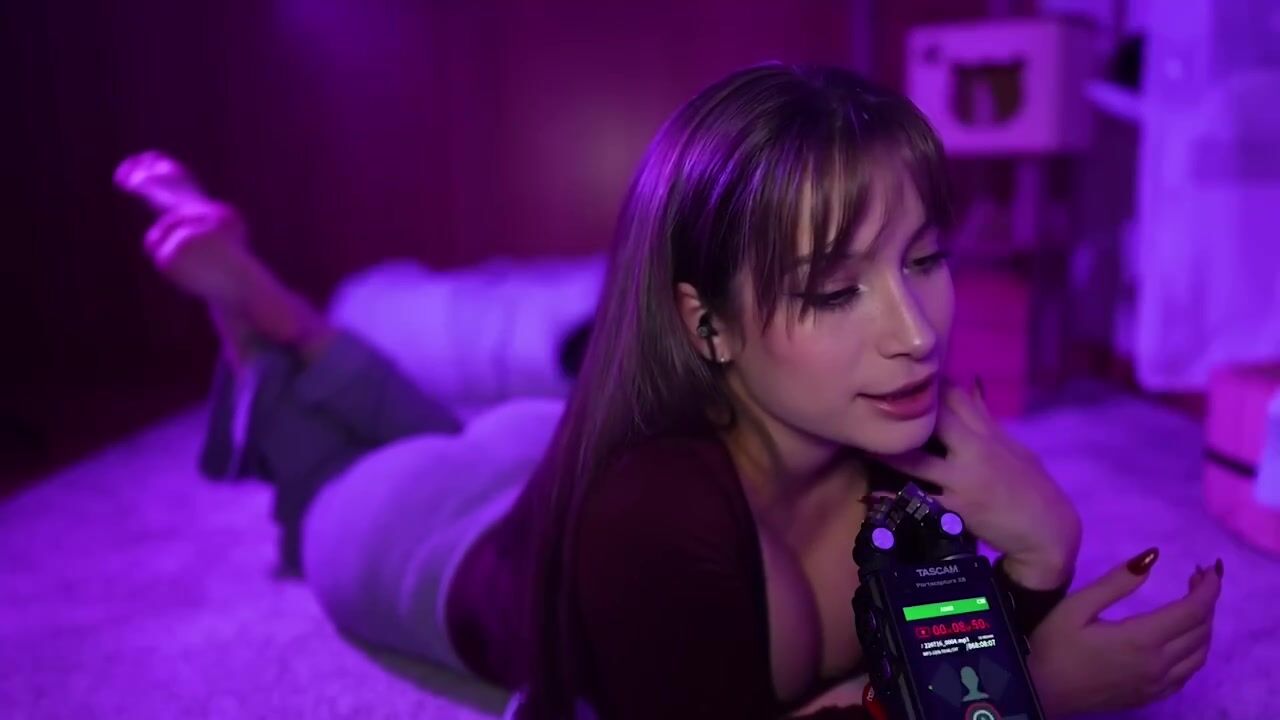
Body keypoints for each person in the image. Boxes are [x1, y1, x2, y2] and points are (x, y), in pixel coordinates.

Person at [120, 64, 1222, 719]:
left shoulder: (893, 457)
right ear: (705, 324)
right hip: (406, 534)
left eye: (923, 260)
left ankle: (279, 314)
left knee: (443, 422)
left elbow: (940, 646)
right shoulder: (650, 514)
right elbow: (964, 687)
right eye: (834, 289)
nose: (916, 332)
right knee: (324, 458)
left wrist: (1040, 545)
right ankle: (255, 307)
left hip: (539, 451)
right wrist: (1023, 694)